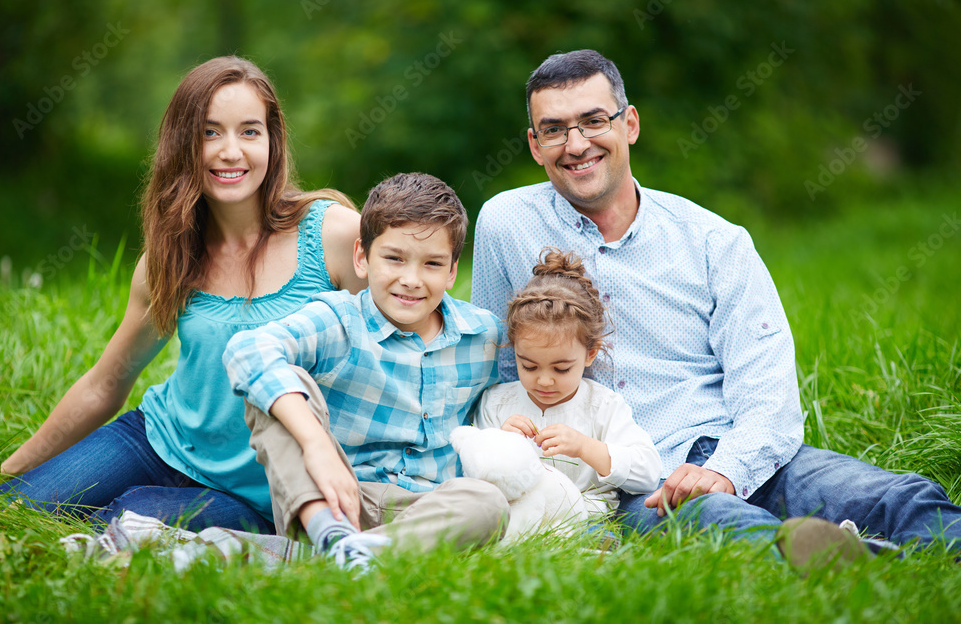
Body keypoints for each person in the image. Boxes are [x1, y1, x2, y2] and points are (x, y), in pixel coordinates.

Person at [471, 49, 961, 553]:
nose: (576, 145)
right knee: (716, 523)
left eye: (594, 121)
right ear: (535, 144)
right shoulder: (506, 224)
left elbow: (767, 388)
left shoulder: (712, 239)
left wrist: (727, 467)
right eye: (554, 129)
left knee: (900, 497)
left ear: (630, 124)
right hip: (633, 476)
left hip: (735, 446)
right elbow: (497, 367)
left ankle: (899, 556)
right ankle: (851, 560)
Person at [0, 56, 365, 533]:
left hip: (259, 491)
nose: (230, 151)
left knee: (122, 522)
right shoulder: (169, 254)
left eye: (249, 132)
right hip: (160, 437)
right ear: (182, 144)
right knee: (15, 511)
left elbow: (403, 338)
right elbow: (107, 383)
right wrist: (7, 473)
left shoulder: (333, 234)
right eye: (210, 132)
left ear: (273, 141)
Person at [223, 172, 508, 571]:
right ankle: (333, 537)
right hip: (336, 493)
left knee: (487, 502)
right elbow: (248, 349)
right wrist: (316, 445)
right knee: (280, 390)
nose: (410, 280)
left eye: (432, 264)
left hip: (426, 510)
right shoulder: (340, 319)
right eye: (394, 258)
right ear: (362, 257)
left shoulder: (484, 336)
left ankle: (338, 555)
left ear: (451, 272)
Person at [475, 247, 661, 518]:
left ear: (590, 353)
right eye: (528, 366)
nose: (544, 380)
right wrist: (500, 443)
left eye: (562, 368)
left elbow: (648, 473)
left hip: (586, 519)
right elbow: (474, 472)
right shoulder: (497, 402)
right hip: (517, 518)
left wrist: (586, 447)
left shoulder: (602, 406)